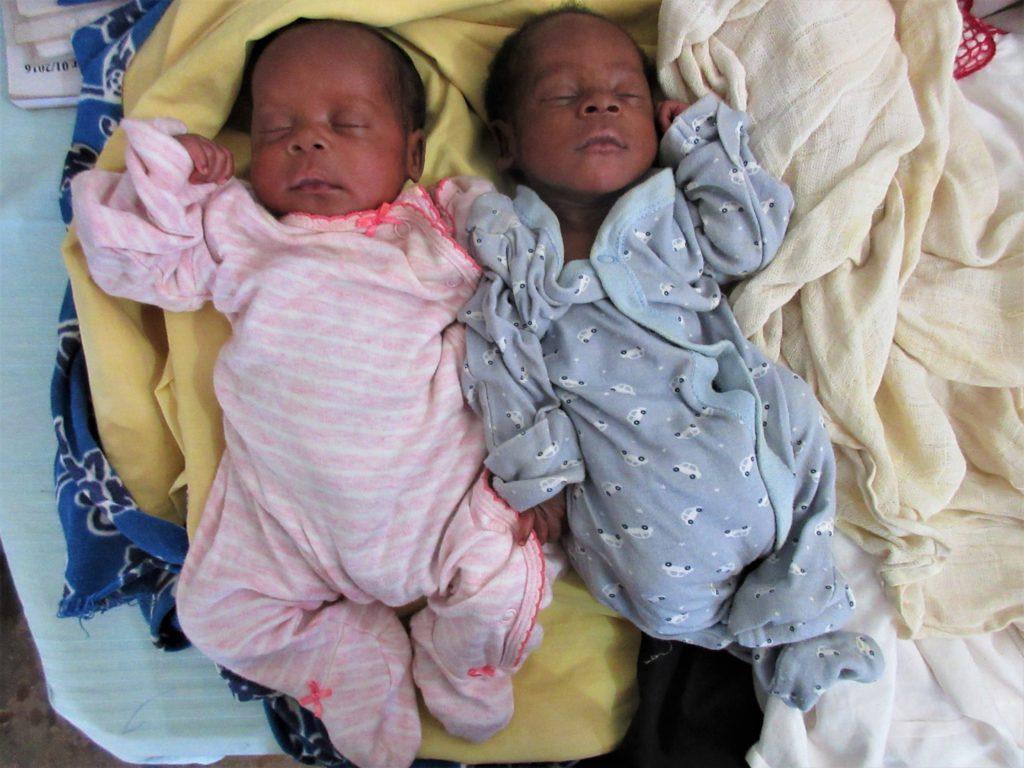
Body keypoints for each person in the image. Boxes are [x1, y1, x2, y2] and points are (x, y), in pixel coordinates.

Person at [71, 20, 563, 768]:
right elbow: (132, 261)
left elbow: (529, 296)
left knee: (506, 580)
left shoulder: (434, 230)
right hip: (286, 524)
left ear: (412, 152)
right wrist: (178, 175)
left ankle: (464, 657)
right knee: (214, 613)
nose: (309, 143)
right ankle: (340, 654)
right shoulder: (241, 228)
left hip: (438, 511)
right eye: (277, 129)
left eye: (347, 123)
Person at [459, 8, 883, 713]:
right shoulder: (516, 253)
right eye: (565, 96)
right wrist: (540, 471)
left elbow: (750, 238)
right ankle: (751, 641)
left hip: (734, 417)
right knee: (664, 584)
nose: (599, 104)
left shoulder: (670, 214)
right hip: (629, 472)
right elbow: (497, 356)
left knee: (799, 424)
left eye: (624, 95)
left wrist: (703, 142)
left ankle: (801, 623)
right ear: (506, 142)